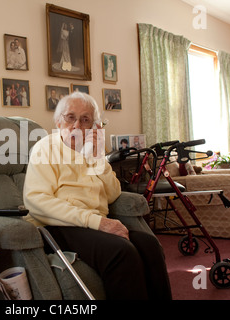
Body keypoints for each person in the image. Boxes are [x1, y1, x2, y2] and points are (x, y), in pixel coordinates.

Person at [23, 91, 172, 300]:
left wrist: (98, 157)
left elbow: (112, 194)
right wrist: (99, 223)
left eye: (85, 120)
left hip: (92, 225)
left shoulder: (92, 151)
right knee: (121, 252)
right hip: (57, 226)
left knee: (150, 246)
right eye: (70, 117)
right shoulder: (45, 148)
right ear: (58, 122)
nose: (76, 126)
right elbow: (36, 201)